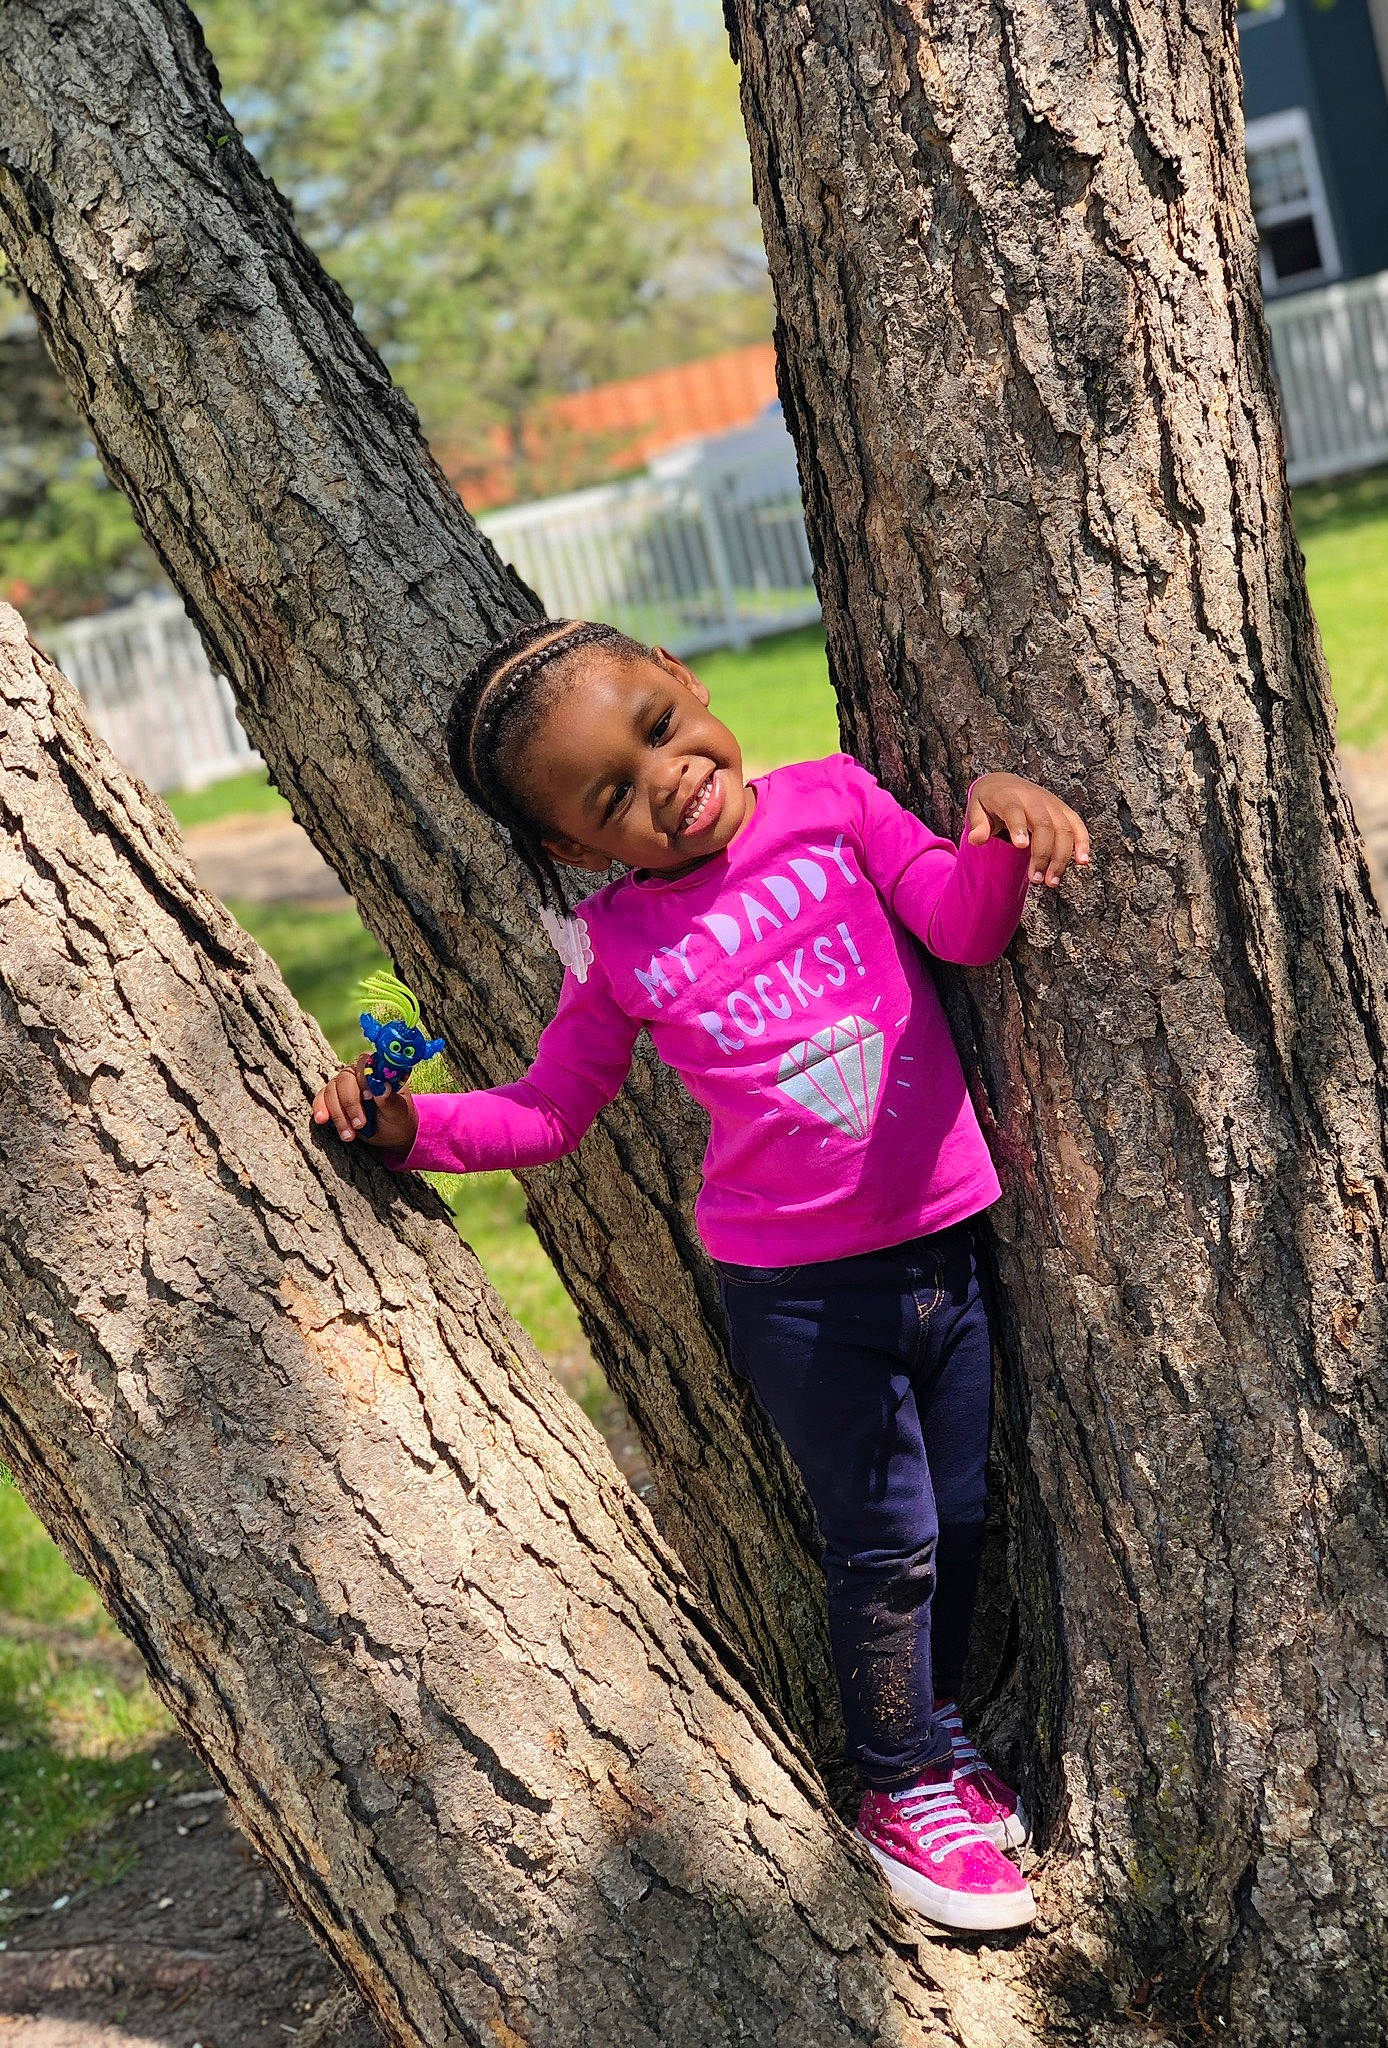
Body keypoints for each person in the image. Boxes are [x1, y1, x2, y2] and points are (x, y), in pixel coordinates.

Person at [313, 618, 1090, 1933]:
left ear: (686, 683)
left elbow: (960, 930)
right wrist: (413, 1130)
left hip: (944, 1250)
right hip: (802, 1300)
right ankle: (897, 1788)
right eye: (611, 794)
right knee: (886, 1542)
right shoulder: (619, 949)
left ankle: (940, 1732)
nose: (662, 781)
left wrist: (996, 835)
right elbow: (552, 1113)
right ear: (576, 847)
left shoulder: (834, 803)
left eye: (657, 733)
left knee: (962, 1515)